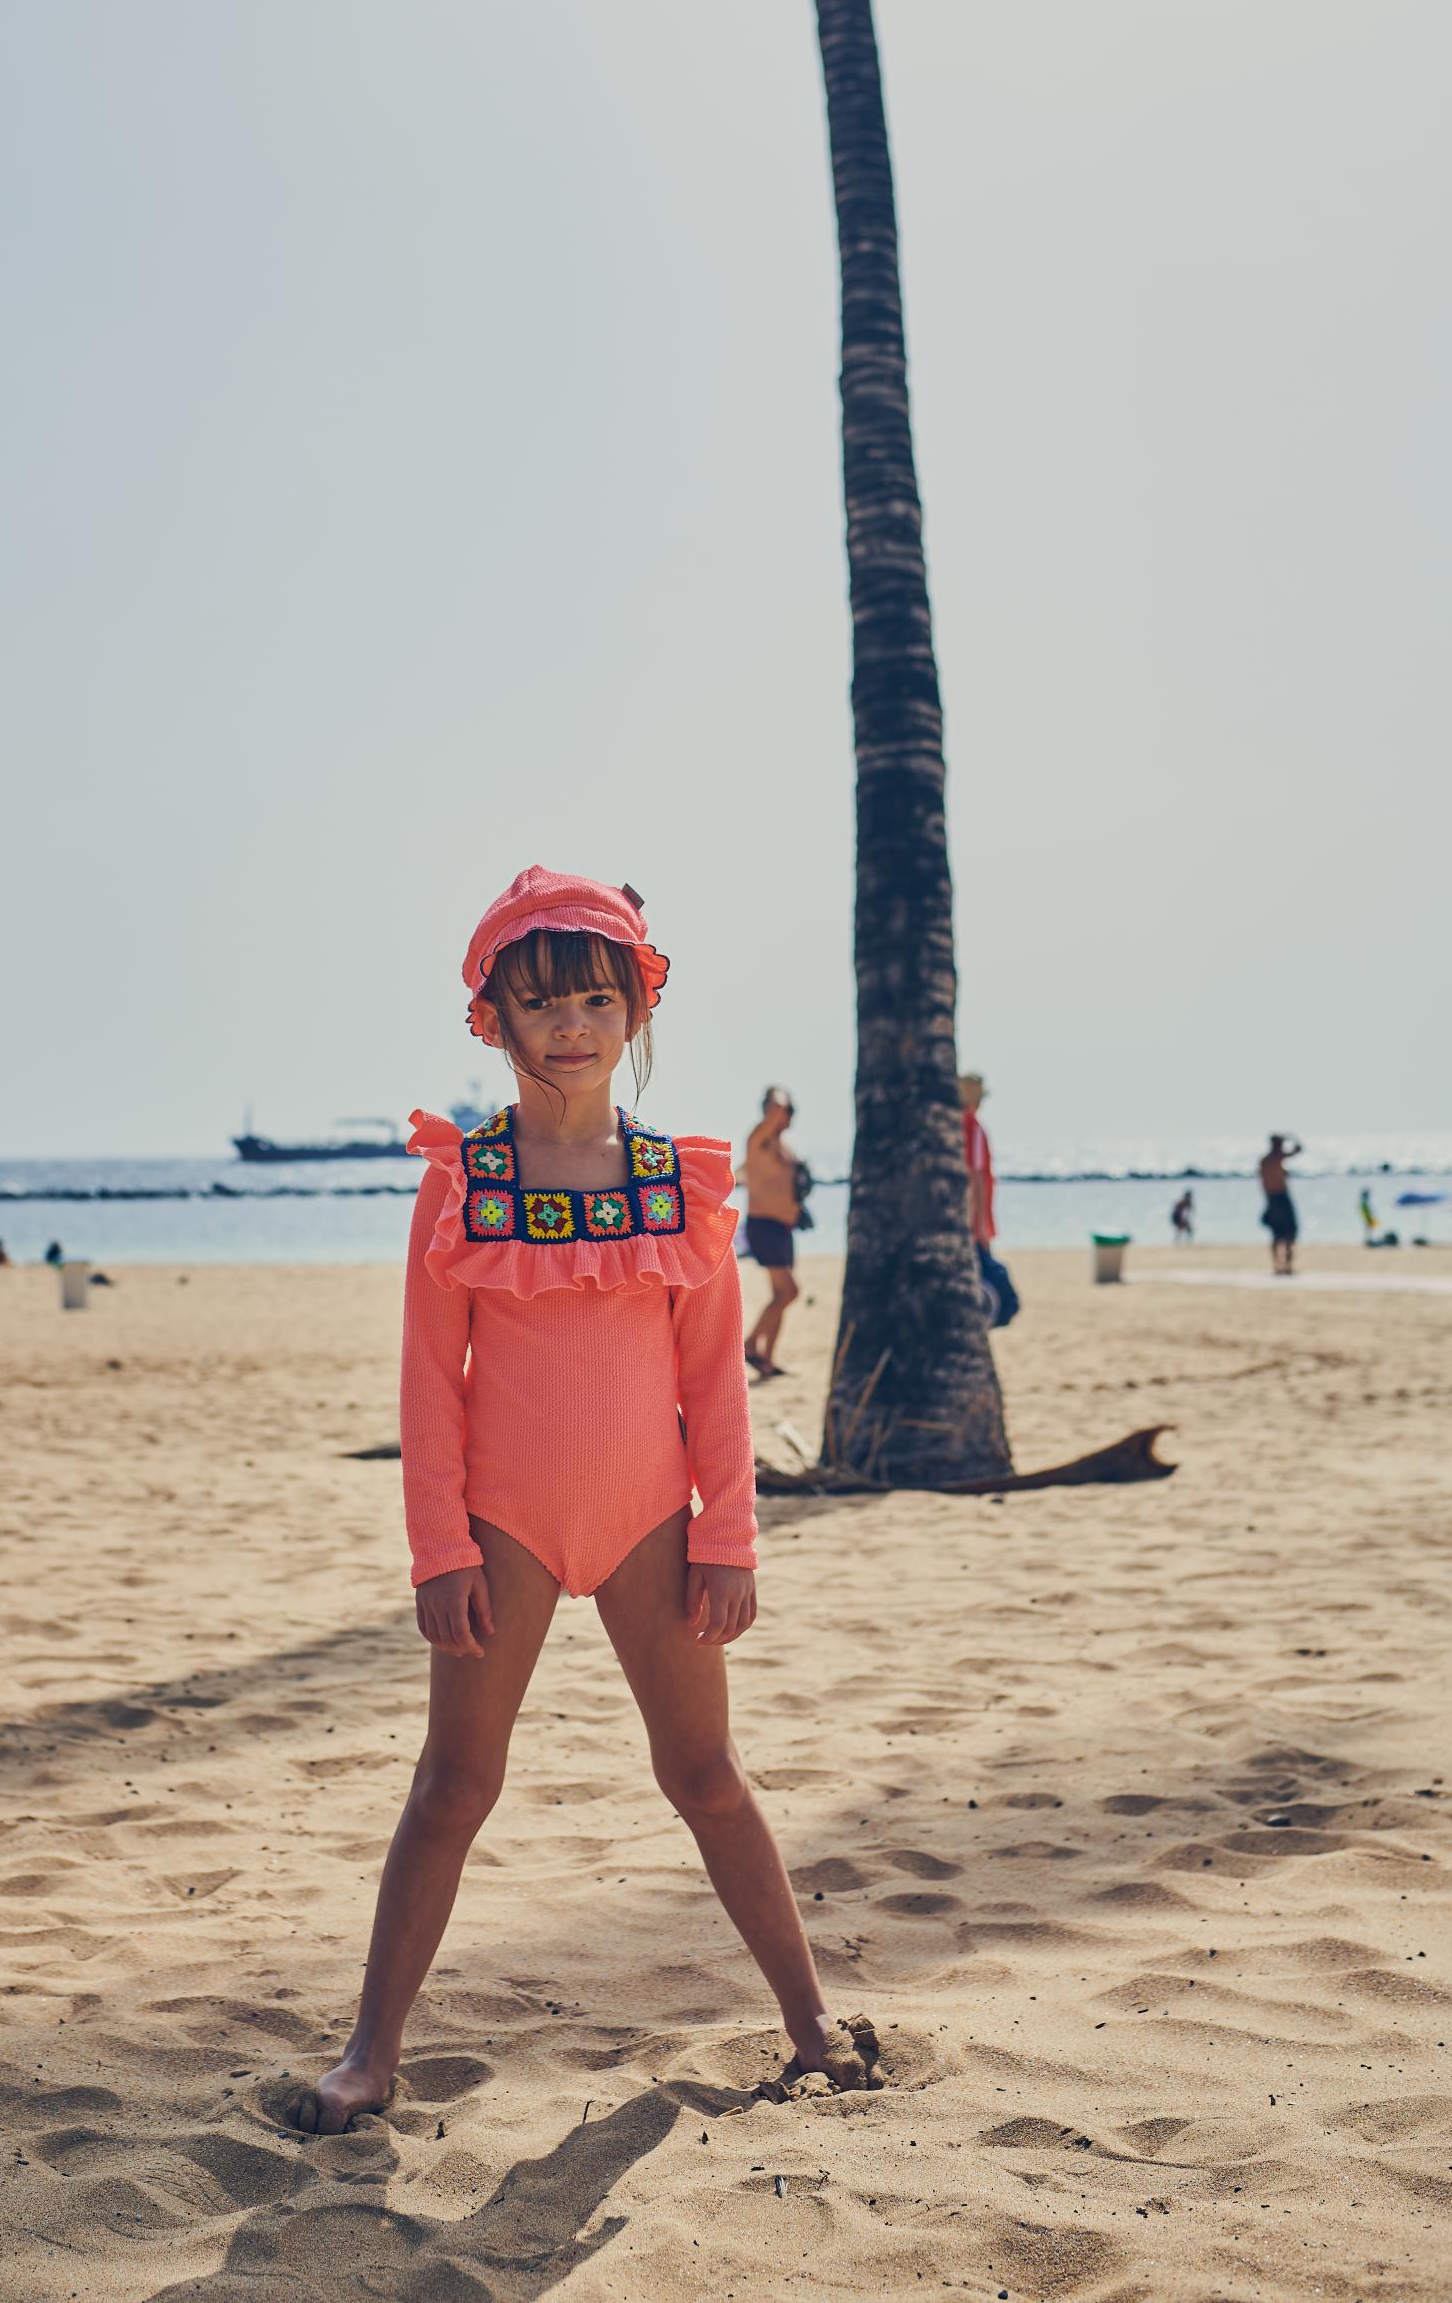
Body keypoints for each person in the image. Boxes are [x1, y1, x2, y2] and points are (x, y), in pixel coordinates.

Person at [282, 866, 877, 2135]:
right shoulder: (464, 1181)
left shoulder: (677, 1182)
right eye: (543, 1001)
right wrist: (440, 1548)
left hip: (655, 1522)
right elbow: (429, 1382)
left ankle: (812, 2026)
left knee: (706, 1774)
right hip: (502, 1529)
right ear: (492, 1014)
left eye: (598, 999)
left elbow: (714, 1379)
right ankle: (371, 2054)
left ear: (637, 1011)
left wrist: (729, 1535)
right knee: (455, 1784)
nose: (571, 1025)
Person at [739, 1086, 805, 1380]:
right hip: (764, 1225)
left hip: (782, 1228)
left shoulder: (782, 1145)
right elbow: (777, 1104)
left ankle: (766, 1358)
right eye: (786, 1110)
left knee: (780, 1295)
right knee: (790, 1292)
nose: (787, 1115)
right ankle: (750, 1344)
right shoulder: (759, 1139)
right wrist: (778, 1097)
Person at [959, 1072, 1019, 1327]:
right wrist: (980, 1224)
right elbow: (976, 1178)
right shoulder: (973, 1128)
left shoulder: (953, 1126)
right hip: (972, 1220)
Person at [1259, 1134, 1302, 1275]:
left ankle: (1279, 1265)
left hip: (1271, 1199)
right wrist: (1292, 1137)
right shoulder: (1275, 1158)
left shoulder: (1266, 1161)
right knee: (1287, 1233)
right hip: (1280, 1198)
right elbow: (1298, 1149)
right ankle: (1285, 1266)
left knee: (1278, 1235)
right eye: (1281, 1143)